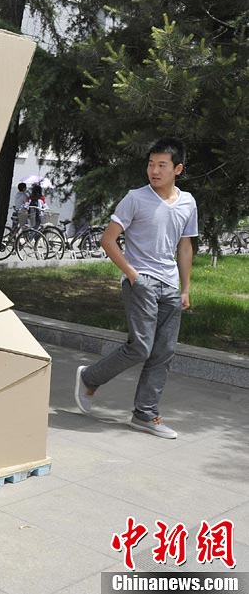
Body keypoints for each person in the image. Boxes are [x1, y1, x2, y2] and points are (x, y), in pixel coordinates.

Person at [74, 137, 198, 439]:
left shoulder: (187, 202)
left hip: (170, 286)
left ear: (177, 169)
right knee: (141, 346)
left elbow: (185, 247)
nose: (154, 171)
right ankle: (90, 377)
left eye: (162, 165)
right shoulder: (135, 198)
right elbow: (108, 239)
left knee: (163, 352)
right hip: (141, 280)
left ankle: (145, 415)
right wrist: (132, 274)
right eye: (151, 164)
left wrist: (185, 289)